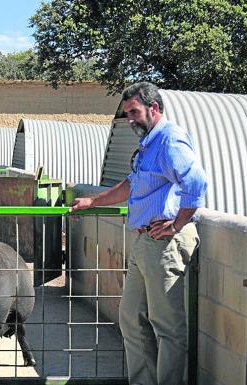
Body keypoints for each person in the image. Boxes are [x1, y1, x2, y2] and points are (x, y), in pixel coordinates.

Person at [71, 82, 207, 385]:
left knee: (167, 327)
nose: (129, 119)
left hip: (165, 241)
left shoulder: (170, 140)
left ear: (153, 108)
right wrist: (93, 201)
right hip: (145, 240)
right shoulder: (149, 144)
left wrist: (176, 225)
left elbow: (197, 185)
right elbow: (132, 184)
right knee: (131, 318)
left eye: (134, 112)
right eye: (127, 113)